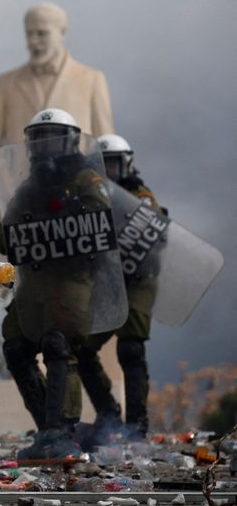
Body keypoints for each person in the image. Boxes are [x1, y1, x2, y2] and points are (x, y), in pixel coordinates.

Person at [0, 108, 114, 460]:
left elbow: (101, 226)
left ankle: (62, 430)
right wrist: (30, 214)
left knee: (59, 344)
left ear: (70, 141)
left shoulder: (86, 179)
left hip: (72, 278)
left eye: (52, 139)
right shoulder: (30, 186)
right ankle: (48, 427)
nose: (44, 147)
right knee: (15, 346)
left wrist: (62, 214)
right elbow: (5, 239)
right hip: (34, 282)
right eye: (38, 139)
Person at [0, 2, 114, 203]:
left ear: (62, 32)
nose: (33, 41)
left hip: (80, 201)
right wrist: (3, 191)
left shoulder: (91, 80)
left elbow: (104, 143)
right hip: (24, 203)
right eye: (29, 34)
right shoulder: (4, 84)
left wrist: (101, 193)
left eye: (41, 33)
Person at [75, 134, 161, 442]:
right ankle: (108, 413)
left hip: (137, 282)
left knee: (131, 348)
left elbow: (155, 231)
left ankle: (136, 425)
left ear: (126, 163)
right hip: (107, 286)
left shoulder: (141, 195)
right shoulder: (90, 196)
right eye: (104, 163)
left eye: (114, 162)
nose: (109, 169)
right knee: (81, 348)